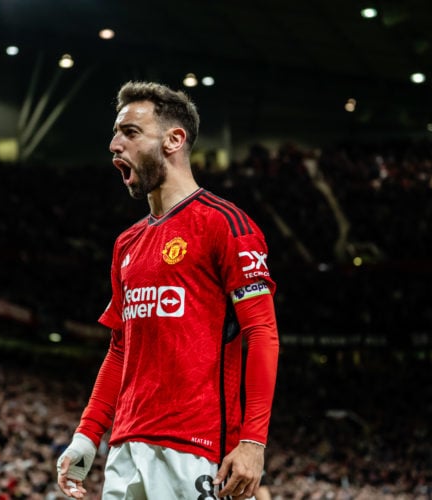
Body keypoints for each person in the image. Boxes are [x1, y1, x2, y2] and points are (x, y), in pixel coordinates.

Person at [56, 81, 280, 500]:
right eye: (115, 132)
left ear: (174, 140)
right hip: (125, 447)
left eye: (130, 132)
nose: (113, 144)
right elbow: (120, 348)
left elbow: (262, 334)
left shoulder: (226, 225)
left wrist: (253, 440)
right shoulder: (127, 242)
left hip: (195, 448)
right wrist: (87, 435)